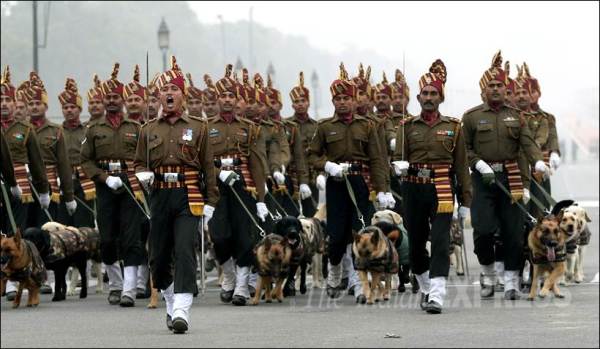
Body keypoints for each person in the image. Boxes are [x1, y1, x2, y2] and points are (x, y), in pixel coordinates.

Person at [134, 56, 218, 333]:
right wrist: (142, 173)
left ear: (183, 95)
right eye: (164, 90)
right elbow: (138, 163)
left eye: (174, 90)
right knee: (158, 256)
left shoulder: (198, 127)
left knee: (184, 250)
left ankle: (182, 308)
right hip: (159, 197)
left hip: (189, 196)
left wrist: (211, 201)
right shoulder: (148, 129)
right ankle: (170, 301)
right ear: (159, 95)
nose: (169, 94)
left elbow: (208, 166)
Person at [462, 51, 548, 300]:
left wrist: (538, 163)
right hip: (483, 179)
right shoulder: (471, 116)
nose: (497, 89)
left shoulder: (516, 115)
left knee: (513, 230)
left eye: (500, 85)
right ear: (484, 90)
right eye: (492, 85)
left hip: (510, 177)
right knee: (484, 230)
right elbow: (463, 149)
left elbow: (528, 143)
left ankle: (511, 280)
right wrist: (477, 164)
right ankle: (488, 274)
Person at [391, 59, 472, 314]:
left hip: (442, 190)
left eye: (433, 93)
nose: (429, 97)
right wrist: (398, 165)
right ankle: (425, 286)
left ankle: (437, 293)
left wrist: (466, 202)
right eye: (425, 93)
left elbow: (461, 166)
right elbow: (397, 159)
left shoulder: (453, 126)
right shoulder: (406, 126)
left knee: (439, 241)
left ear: (441, 97)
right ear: (418, 97)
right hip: (414, 189)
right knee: (415, 244)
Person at [307, 63, 388, 303]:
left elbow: (377, 159)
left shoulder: (368, 125)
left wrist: (382, 189)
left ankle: (357, 282)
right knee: (338, 234)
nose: (342, 102)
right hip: (336, 184)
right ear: (333, 102)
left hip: (360, 183)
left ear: (354, 100)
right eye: (338, 98)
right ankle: (334, 273)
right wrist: (327, 166)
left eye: (346, 98)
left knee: (362, 231)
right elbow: (312, 155)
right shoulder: (324, 127)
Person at [81, 63, 146, 307]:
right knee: (107, 239)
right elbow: (85, 160)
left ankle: (129, 288)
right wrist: (104, 177)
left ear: (123, 99)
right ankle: (115, 285)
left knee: (131, 238)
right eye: (107, 96)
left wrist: (140, 176)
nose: (111, 101)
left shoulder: (135, 128)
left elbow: (145, 158)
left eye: (115, 96)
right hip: (105, 186)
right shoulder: (94, 128)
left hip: (130, 186)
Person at [207, 64, 269, 306]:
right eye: (223, 95)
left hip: (243, 186)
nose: (227, 100)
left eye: (231, 95)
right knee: (220, 236)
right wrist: (217, 173)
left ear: (237, 99)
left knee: (244, 237)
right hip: (216, 187)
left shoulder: (249, 128)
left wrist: (261, 199)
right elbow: (200, 161)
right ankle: (229, 276)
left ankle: (242, 286)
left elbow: (257, 164)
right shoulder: (206, 127)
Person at [22, 72, 77, 229]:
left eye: (38, 103)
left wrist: (68, 196)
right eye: (31, 103)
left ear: (45, 106)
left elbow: (64, 165)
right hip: (25, 185)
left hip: (49, 186)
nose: (34, 107)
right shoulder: (21, 129)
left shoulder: (56, 131)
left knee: (47, 229)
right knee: (24, 229)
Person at [56, 77, 96, 228]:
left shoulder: (88, 131)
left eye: (73, 107)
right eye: (65, 107)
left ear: (79, 109)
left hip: (84, 182)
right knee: (62, 225)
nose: (69, 110)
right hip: (62, 183)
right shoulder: (56, 132)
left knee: (84, 223)